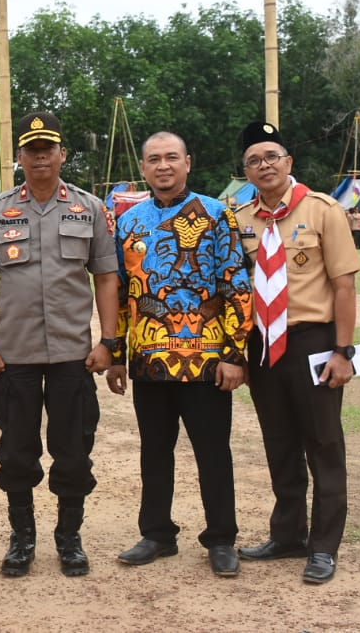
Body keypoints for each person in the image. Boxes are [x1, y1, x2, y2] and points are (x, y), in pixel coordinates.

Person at [0, 111, 119, 578]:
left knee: (73, 449)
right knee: (16, 451)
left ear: (62, 155)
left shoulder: (89, 208)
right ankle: (22, 538)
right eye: (31, 150)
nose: (39, 157)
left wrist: (109, 341)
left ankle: (68, 538)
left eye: (47, 149)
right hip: (15, 356)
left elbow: (106, 277)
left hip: (74, 355)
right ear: (20, 157)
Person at [109, 132, 250, 578]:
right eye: (154, 159)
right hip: (150, 358)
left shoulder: (217, 214)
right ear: (144, 168)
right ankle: (157, 533)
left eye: (172, 158)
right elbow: (118, 293)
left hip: (208, 360)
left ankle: (222, 538)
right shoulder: (129, 222)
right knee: (154, 451)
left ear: (188, 162)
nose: (163, 166)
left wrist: (235, 353)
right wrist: (115, 351)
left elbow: (236, 286)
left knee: (213, 452)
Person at [234, 122, 360, 585]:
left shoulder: (323, 210)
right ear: (246, 171)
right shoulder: (242, 219)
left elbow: (344, 286)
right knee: (279, 442)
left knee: (323, 444)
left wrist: (342, 351)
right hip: (263, 346)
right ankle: (287, 534)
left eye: (271, 156)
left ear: (289, 161)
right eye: (254, 160)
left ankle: (324, 546)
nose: (264, 165)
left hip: (313, 340)